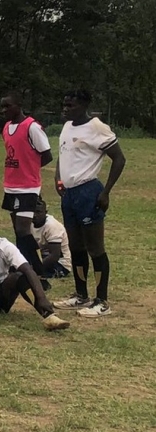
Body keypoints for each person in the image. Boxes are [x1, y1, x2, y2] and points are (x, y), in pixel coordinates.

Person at [53, 90, 126, 317]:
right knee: (75, 247)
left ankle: (102, 301)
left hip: (88, 192)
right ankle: (80, 295)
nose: (65, 109)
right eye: (64, 105)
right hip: (70, 195)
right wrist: (58, 178)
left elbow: (119, 158)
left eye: (71, 105)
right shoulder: (67, 127)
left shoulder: (96, 128)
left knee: (95, 248)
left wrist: (105, 192)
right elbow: (62, 155)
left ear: (84, 105)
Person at [0, 92, 54, 273]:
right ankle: (22, 266)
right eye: (2, 106)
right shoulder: (6, 127)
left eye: (8, 106)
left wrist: (29, 168)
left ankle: (38, 271)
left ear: (19, 105)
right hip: (11, 185)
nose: (4, 110)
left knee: (23, 230)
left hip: (28, 187)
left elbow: (46, 155)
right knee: (18, 230)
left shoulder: (32, 127)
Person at [32, 198, 71, 280]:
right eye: (32, 212)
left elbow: (54, 256)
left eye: (38, 212)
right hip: (42, 257)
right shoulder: (29, 224)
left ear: (45, 212)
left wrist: (35, 267)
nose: (35, 215)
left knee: (29, 276)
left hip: (60, 263)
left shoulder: (52, 226)